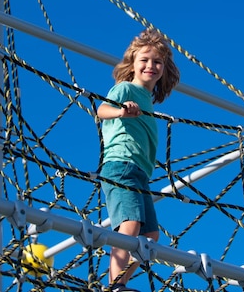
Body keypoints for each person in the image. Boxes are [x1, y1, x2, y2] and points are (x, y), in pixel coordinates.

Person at [97, 29, 180, 292]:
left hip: (140, 173)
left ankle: (120, 280)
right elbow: (101, 110)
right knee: (130, 223)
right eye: (144, 60)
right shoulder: (126, 88)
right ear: (132, 64)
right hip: (120, 166)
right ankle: (115, 285)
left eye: (157, 62)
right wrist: (122, 112)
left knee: (150, 236)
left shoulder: (148, 103)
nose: (150, 66)